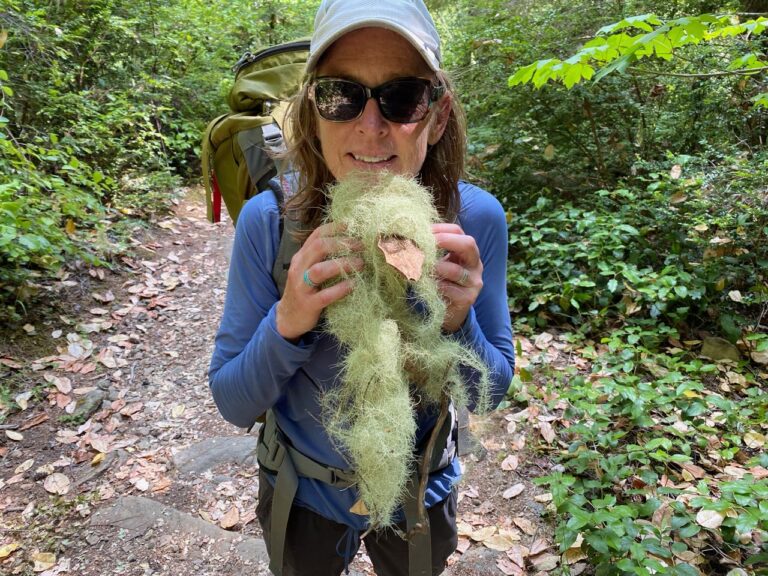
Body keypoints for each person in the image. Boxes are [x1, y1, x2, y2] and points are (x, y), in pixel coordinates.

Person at [208, 1, 515, 575]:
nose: (370, 127)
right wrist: (288, 320)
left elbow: (492, 392)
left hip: (417, 491)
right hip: (301, 494)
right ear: (312, 112)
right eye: (340, 96)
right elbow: (231, 401)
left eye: (401, 97)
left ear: (438, 115)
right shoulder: (269, 223)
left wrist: (459, 321)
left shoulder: (475, 222)